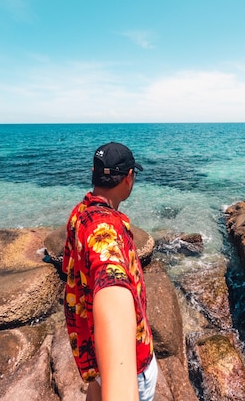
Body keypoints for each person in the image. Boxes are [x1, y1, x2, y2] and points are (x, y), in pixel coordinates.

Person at [62, 142, 156, 401]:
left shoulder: (79, 214)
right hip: (134, 369)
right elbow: (110, 281)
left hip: (96, 355)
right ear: (128, 178)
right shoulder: (105, 231)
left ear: (95, 173)